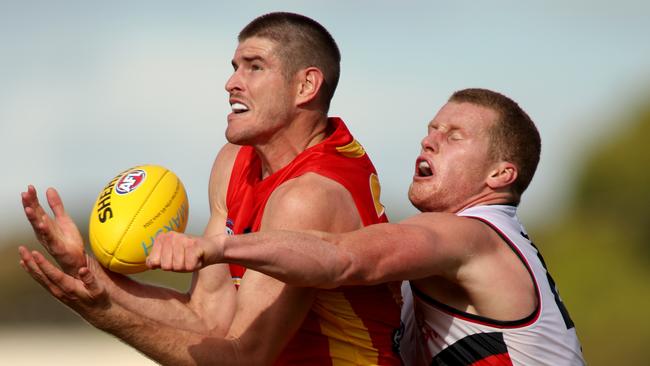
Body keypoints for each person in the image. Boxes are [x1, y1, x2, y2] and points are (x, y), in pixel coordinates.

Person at [18, 12, 402, 365]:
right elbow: (207, 318)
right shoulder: (234, 161)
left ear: (305, 85)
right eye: (235, 67)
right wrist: (88, 272)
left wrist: (104, 314)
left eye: (254, 67)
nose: (231, 83)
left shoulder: (310, 195)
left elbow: (245, 357)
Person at [148, 88, 585, 365]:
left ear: (500, 176)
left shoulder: (469, 236)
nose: (428, 139)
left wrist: (219, 249)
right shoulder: (474, 245)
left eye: (454, 136)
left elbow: (341, 257)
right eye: (431, 129)